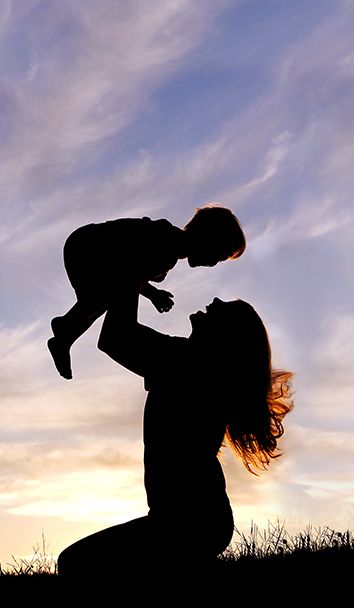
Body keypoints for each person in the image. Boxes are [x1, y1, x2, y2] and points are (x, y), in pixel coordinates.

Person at [56, 287, 292, 582]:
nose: (216, 301)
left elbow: (115, 337)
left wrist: (130, 271)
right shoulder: (189, 360)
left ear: (226, 337)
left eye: (226, 309)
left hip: (189, 523)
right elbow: (116, 337)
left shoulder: (187, 360)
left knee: (75, 564)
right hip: (196, 522)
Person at [48, 205, 245, 379]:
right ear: (206, 237)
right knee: (104, 296)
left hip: (88, 248)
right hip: (87, 248)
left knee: (104, 297)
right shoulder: (166, 245)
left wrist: (153, 293)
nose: (213, 263)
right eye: (218, 255)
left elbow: (132, 274)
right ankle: (65, 327)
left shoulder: (168, 250)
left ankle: (65, 334)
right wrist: (152, 294)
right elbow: (130, 272)